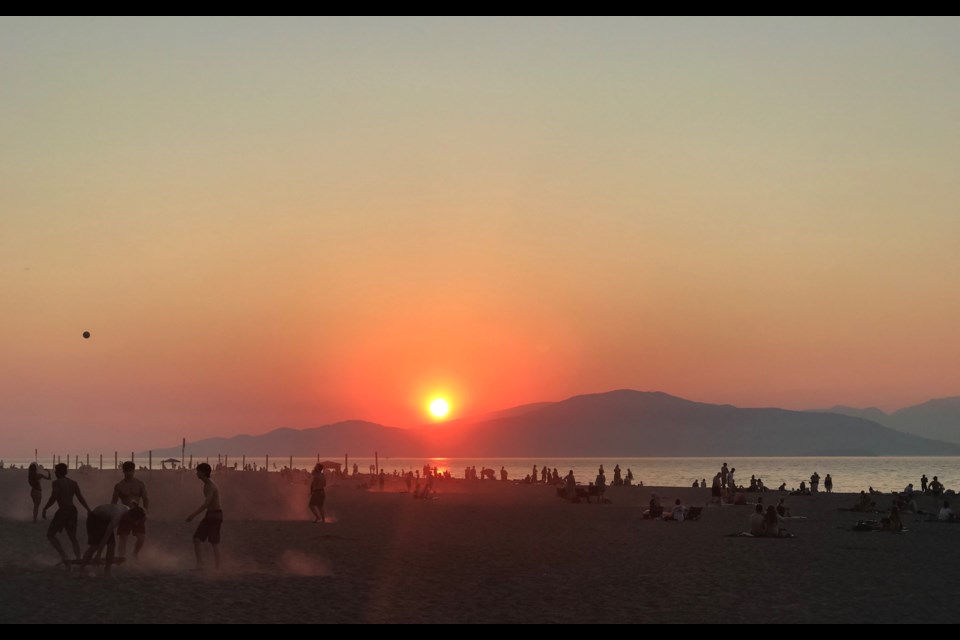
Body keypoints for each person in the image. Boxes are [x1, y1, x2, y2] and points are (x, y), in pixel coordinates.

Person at [42, 464, 91, 566]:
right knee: (73, 537)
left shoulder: (56, 483)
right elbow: (80, 497)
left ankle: (64, 556)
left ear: (57, 472)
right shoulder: (73, 483)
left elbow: (54, 496)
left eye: (55, 471)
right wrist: (88, 509)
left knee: (50, 535)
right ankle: (78, 558)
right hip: (73, 511)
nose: (54, 472)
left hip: (63, 511)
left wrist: (45, 508)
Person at [80, 503, 144, 576]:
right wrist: (98, 554)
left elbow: (137, 515)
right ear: (129, 516)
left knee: (111, 545)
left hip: (105, 520)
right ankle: (81, 569)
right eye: (131, 520)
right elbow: (105, 537)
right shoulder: (117, 517)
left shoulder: (128, 510)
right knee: (94, 546)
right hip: (94, 518)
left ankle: (107, 571)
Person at [185, 463, 222, 571]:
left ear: (203, 473)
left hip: (216, 515)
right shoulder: (206, 485)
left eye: (198, 471)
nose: (196, 473)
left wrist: (193, 515)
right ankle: (200, 564)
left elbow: (207, 503)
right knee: (197, 538)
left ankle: (218, 568)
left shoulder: (210, 486)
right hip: (210, 515)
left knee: (214, 542)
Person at [111, 461, 150, 561]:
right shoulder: (119, 486)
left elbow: (145, 498)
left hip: (137, 513)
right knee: (123, 538)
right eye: (127, 471)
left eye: (130, 471)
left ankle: (135, 554)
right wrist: (113, 515)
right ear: (123, 472)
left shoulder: (140, 484)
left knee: (141, 538)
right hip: (124, 513)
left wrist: (146, 511)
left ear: (134, 471)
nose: (129, 473)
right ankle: (121, 558)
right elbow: (114, 502)